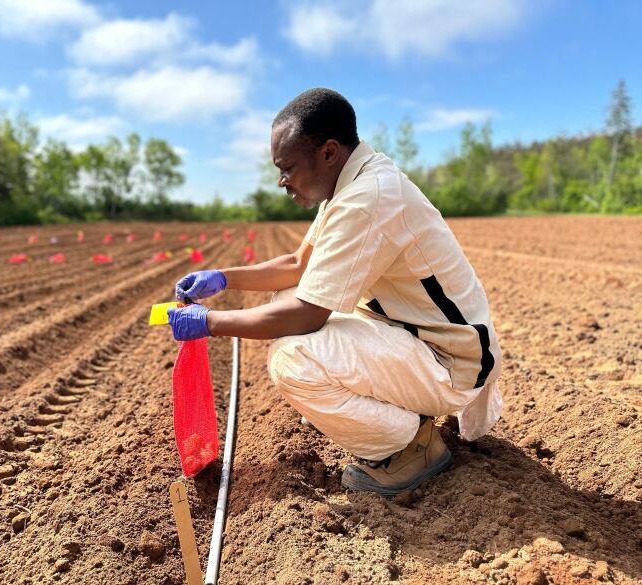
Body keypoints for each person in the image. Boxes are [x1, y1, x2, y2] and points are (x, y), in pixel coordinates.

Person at [167, 88, 502, 496]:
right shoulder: (352, 181)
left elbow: (309, 314)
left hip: (449, 361)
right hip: (421, 336)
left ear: (328, 153)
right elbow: (297, 265)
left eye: (287, 168)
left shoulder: (368, 198)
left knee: (292, 359)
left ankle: (412, 447)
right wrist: (222, 277)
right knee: (284, 301)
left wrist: (210, 323)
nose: (281, 181)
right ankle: (392, 413)